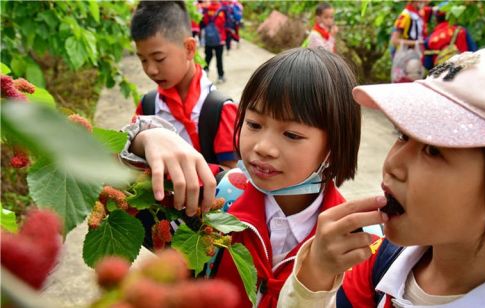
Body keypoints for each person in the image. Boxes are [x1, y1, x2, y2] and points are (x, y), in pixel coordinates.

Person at [121, 47, 363, 307]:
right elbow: (108, 186)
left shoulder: (356, 245)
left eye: (291, 134)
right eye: (254, 124)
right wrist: (145, 137)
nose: (262, 147)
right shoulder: (212, 196)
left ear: (335, 146)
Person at [278, 46, 485, 307]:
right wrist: (315, 275)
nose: (393, 163)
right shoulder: (379, 263)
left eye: (432, 150)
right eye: (402, 135)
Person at [130, 1, 237, 170]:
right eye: (143, 60)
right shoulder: (148, 106)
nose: (150, 70)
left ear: (189, 48)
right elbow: (132, 159)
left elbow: (232, 177)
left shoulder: (219, 110)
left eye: (159, 59)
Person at [423, 3, 477, 70]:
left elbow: (427, 65)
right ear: (452, 16)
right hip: (463, 70)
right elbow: (474, 51)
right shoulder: (461, 31)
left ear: (436, 18)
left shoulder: (429, 39)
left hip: (441, 75)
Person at [201, 0, 227, 83]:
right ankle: (220, 76)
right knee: (219, 58)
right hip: (219, 38)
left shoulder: (207, 9)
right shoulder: (221, 9)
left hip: (208, 38)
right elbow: (223, 22)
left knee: (208, 56)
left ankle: (204, 72)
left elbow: (204, 21)